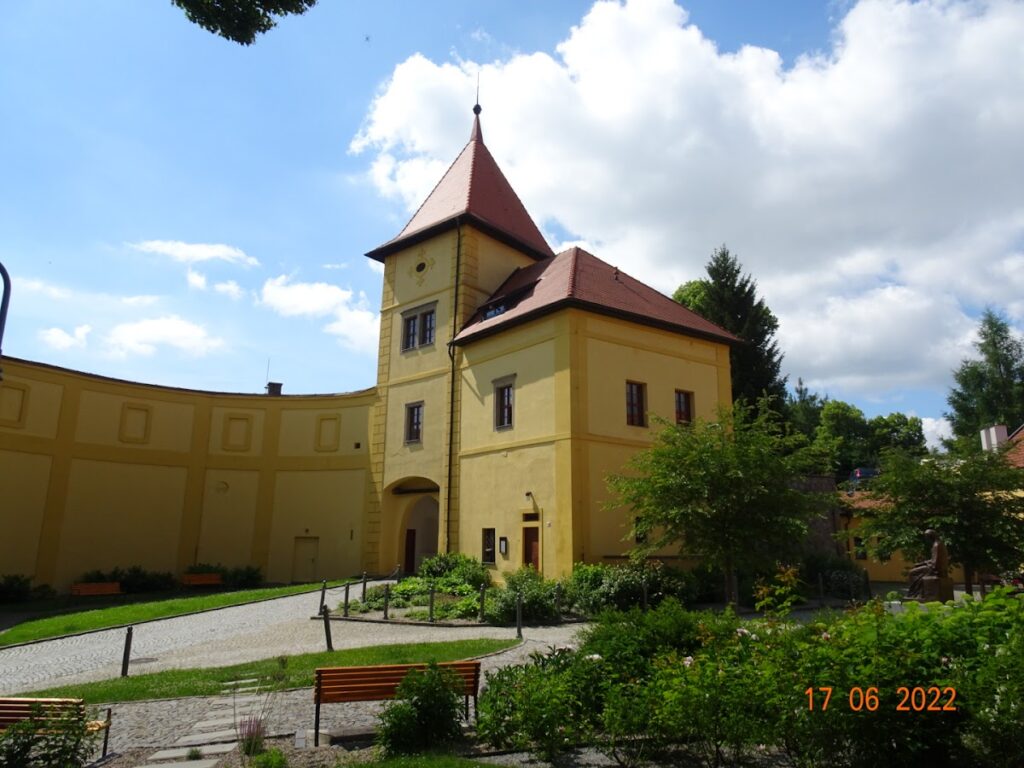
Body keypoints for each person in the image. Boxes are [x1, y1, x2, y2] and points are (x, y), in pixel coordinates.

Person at [907, 529, 949, 598]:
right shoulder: (940, 544)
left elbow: (934, 563)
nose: (926, 540)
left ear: (931, 537)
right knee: (916, 568)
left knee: (912, 573)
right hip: (936, 567)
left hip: (935, 569)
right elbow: (934, 559)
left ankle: (914, 594)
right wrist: (922, 563)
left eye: (927, 537)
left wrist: (924, 564)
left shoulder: (936, 545)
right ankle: (917, 593)